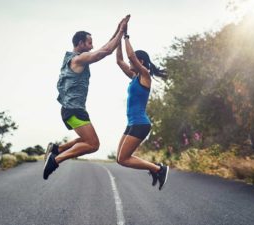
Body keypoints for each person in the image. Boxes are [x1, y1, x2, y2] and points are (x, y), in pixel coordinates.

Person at [43, 15, 131, 180]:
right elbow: (105, 51)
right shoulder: (79, 59)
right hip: (74, 109)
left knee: (85, 140)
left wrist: (118, 30)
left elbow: (105, 47)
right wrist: (120, 32)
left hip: (71, 109)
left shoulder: (71, 58)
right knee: (93, 145)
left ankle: (57, 149)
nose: (92, 46)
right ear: (80, 43)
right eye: (89, 43)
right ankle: (56, 159)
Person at [115, 27, 169, 190]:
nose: (130, 63)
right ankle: (155, 169)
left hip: (140, 123)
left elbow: (131, 55)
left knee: (125, 158)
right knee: (119, 159)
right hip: (132, 123)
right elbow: (119, 60)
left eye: (133, 62)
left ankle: (159, 169)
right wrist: (118, 38)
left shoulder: (145, 75)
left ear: (141, 63)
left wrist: (126, 35)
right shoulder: (134, 77)